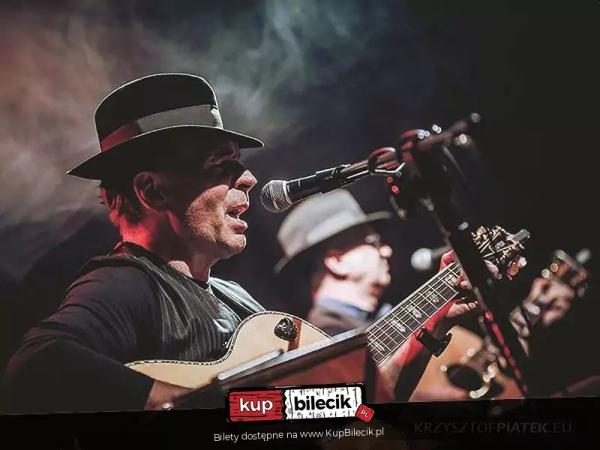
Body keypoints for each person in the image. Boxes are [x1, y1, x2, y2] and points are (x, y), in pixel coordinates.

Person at [4, 73, 266, 413]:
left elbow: (280, 406)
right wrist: (197, 409)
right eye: (221, 164)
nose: (248, 178)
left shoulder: (236, 297)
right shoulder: (126, 283)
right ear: (152, 191)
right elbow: (37, 362)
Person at [275, 189, 482, 400]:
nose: (386, 251)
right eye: (373, 241)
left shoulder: (384, 315)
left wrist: (440, 321)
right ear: (337, 262)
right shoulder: (322, 337)